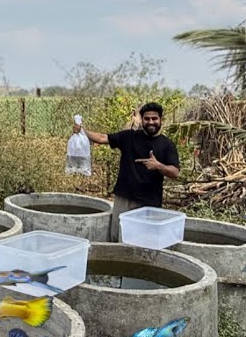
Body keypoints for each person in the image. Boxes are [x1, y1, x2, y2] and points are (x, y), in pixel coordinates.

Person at [77, 101, 181, 241]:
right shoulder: (129, 137)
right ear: (142, 119)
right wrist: (82, 131)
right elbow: (102, 138)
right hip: (124, 198)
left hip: (149, 203)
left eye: (154, 118)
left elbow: (175, 172)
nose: (151, 122)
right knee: (118, 237)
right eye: (147, 118)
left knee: (144, 241)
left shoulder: (167, 145)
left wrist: (158, 165)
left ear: (161, 120)